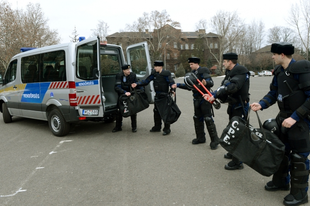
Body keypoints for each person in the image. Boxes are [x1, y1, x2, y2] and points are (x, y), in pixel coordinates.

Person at [250, 42, 310, 206]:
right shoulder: (278, 72)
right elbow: (273, 93)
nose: (272, 56)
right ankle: (281, 182)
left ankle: (300, 194)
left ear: (282, 55)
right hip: (282, 119)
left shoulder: (302, 70)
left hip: (300, 122)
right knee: (280, 152)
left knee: (299, 158)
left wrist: (295, 116)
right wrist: (262, 104)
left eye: (274, 54)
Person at [204, 53, 250, 169]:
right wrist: (212, 95)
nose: (223, 63)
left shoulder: (241, 71)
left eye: (224, 61)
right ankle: (233, 152)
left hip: (240, 106)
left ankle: (238, 161)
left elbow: (232, 86)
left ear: (230, 62)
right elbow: (223, 86)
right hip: (233, 105)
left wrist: (216, 95)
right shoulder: (230, 72)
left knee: (237, 131)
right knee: (231, 128)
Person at [176, 57, 219, 150]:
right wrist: (178, 85)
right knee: (197, 118)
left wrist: (206, 82)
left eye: (191, 64)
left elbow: (211, 82)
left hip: (205, 98)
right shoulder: (191, 74)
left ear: (196, 64)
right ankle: (200, 138)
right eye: (190, 64)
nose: (190, 66)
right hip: (196, 99)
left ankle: (215, 140)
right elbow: (190, 86)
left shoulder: (203, 70)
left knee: (208, 118)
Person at [131, 60, 175, 136]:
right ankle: (157, 127)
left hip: (164, 96)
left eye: (155, 66)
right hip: (157, 96)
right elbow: (146, 81)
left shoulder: (166, 74)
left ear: (160, 67)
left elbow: (171, 82)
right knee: (156, 112)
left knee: (165, 113)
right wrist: (137, 84)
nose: (154, 68)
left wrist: (173, 89)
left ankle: (167, 129)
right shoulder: (154, 74)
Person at [112, 64, 141, 133]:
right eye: (127, 70)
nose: (129, 71)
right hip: (122, 95)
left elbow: (136, 83)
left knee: (133, 111)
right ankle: (118, 127)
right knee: (119, 111)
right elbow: (117, 87)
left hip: (131, 95)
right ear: (123, 70)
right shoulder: (119, 75)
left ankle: (134, 127)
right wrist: (124, 92)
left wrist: (137, 87)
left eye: (129, 69)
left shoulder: (133, 75)